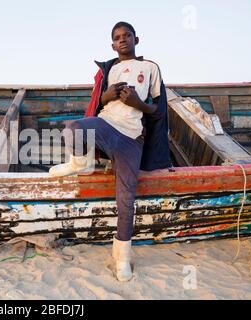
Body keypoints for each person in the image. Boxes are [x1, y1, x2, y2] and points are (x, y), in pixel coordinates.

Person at [49, 22, 171, 281]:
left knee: (126, 198)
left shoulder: (150, 67)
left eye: (127, 35)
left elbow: (160, 110)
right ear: (112, 45)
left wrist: (138, 103)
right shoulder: (111, 69)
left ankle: (122, 256)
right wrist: (108, 95)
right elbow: (99, 103)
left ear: (137, 39)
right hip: (106, 124)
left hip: (131, 138)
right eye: (117, 37)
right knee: (72, 129)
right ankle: (78, 162)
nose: (123, 39)